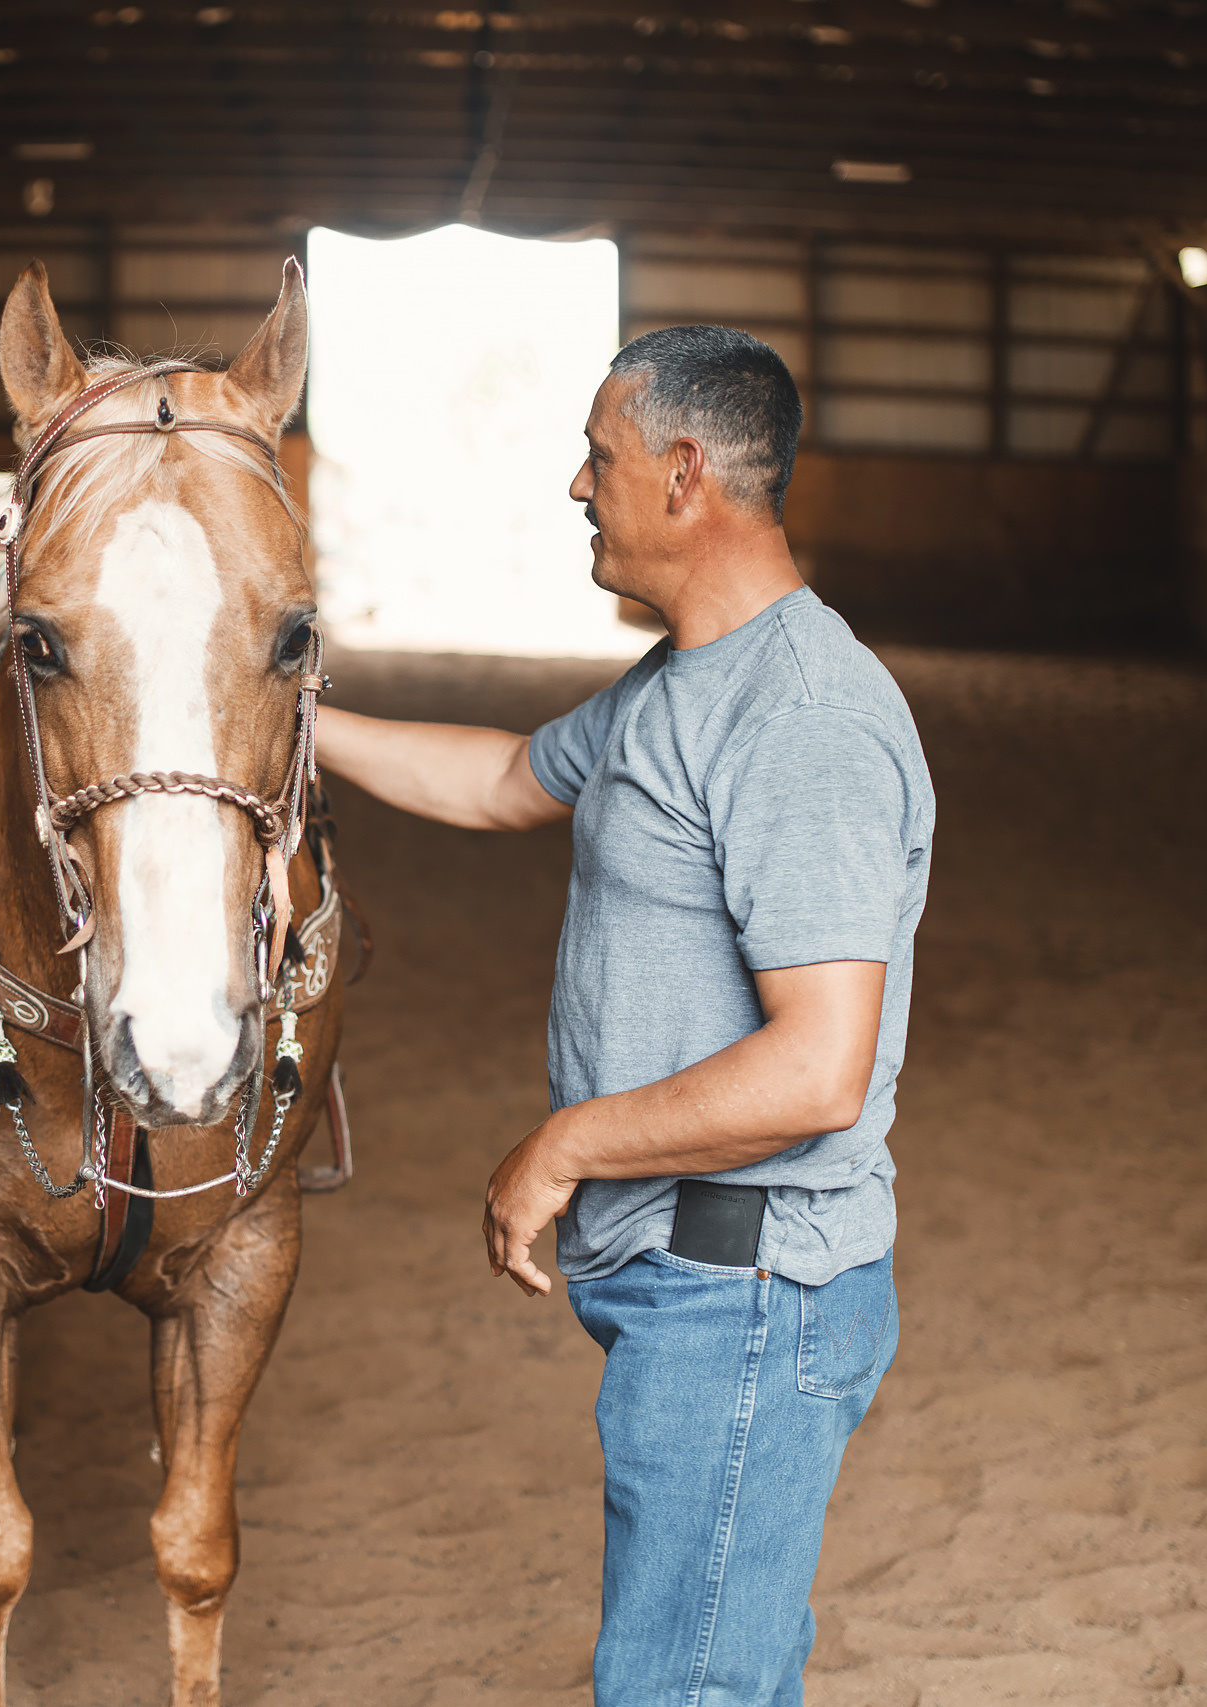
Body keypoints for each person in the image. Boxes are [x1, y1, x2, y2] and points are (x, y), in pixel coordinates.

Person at [314, 325, 933, 1704]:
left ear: (683, 472)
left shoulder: (802, 717)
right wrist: (282, 721)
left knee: (683, 1686)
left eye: (600, 459)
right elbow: (500, 780)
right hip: (689, 1275)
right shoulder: (679, 685)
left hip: (749, 1288)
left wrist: (570, 1142)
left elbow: (821, 1065)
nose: (577, 487)